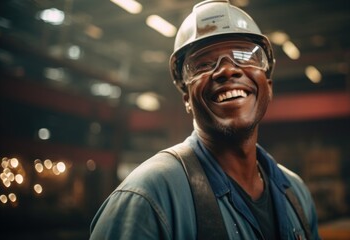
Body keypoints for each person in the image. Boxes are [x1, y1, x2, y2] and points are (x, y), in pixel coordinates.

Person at [90, 0, 321, 239]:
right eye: (203, 64)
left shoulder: (295, 193)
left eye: (244, 55)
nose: (226, 70)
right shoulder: (148, 198)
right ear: (186, 99)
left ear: (269, 87)